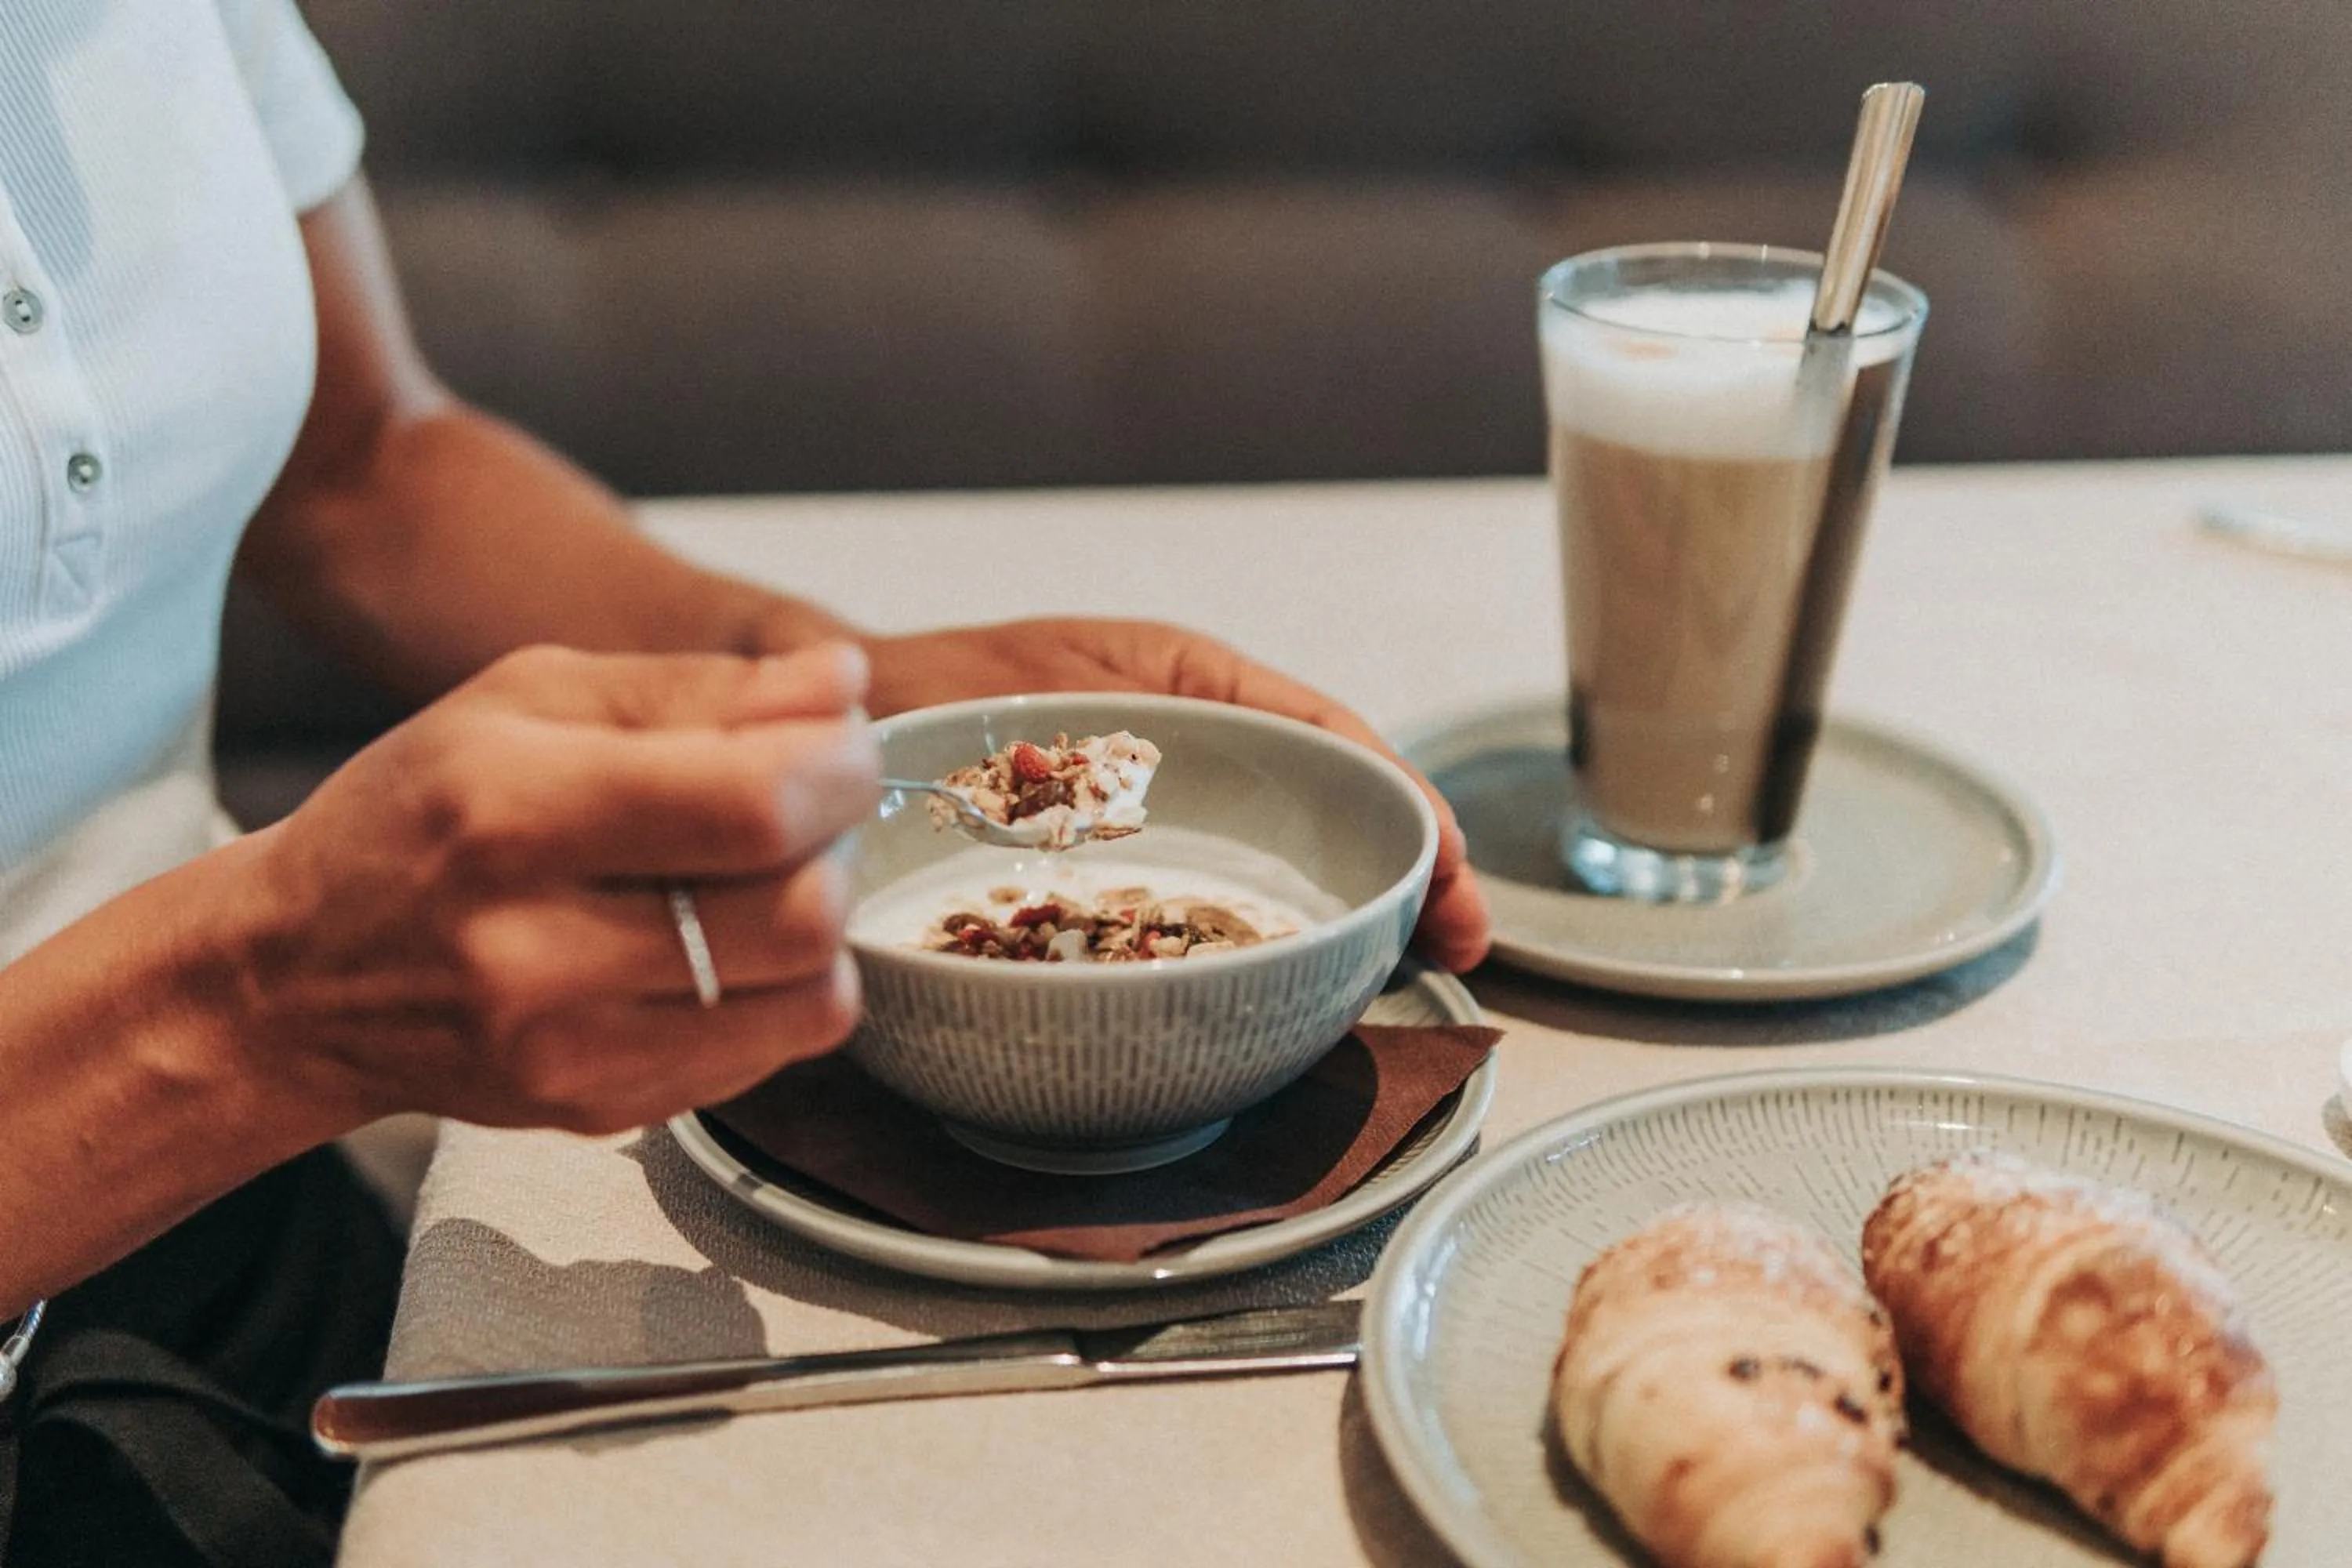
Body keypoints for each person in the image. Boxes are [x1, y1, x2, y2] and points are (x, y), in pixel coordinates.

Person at [0, 3, 1489, 1562]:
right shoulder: (253, 1012)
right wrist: (248, 1002)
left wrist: (820, 678)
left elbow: (362, 468)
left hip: (244, 1220)